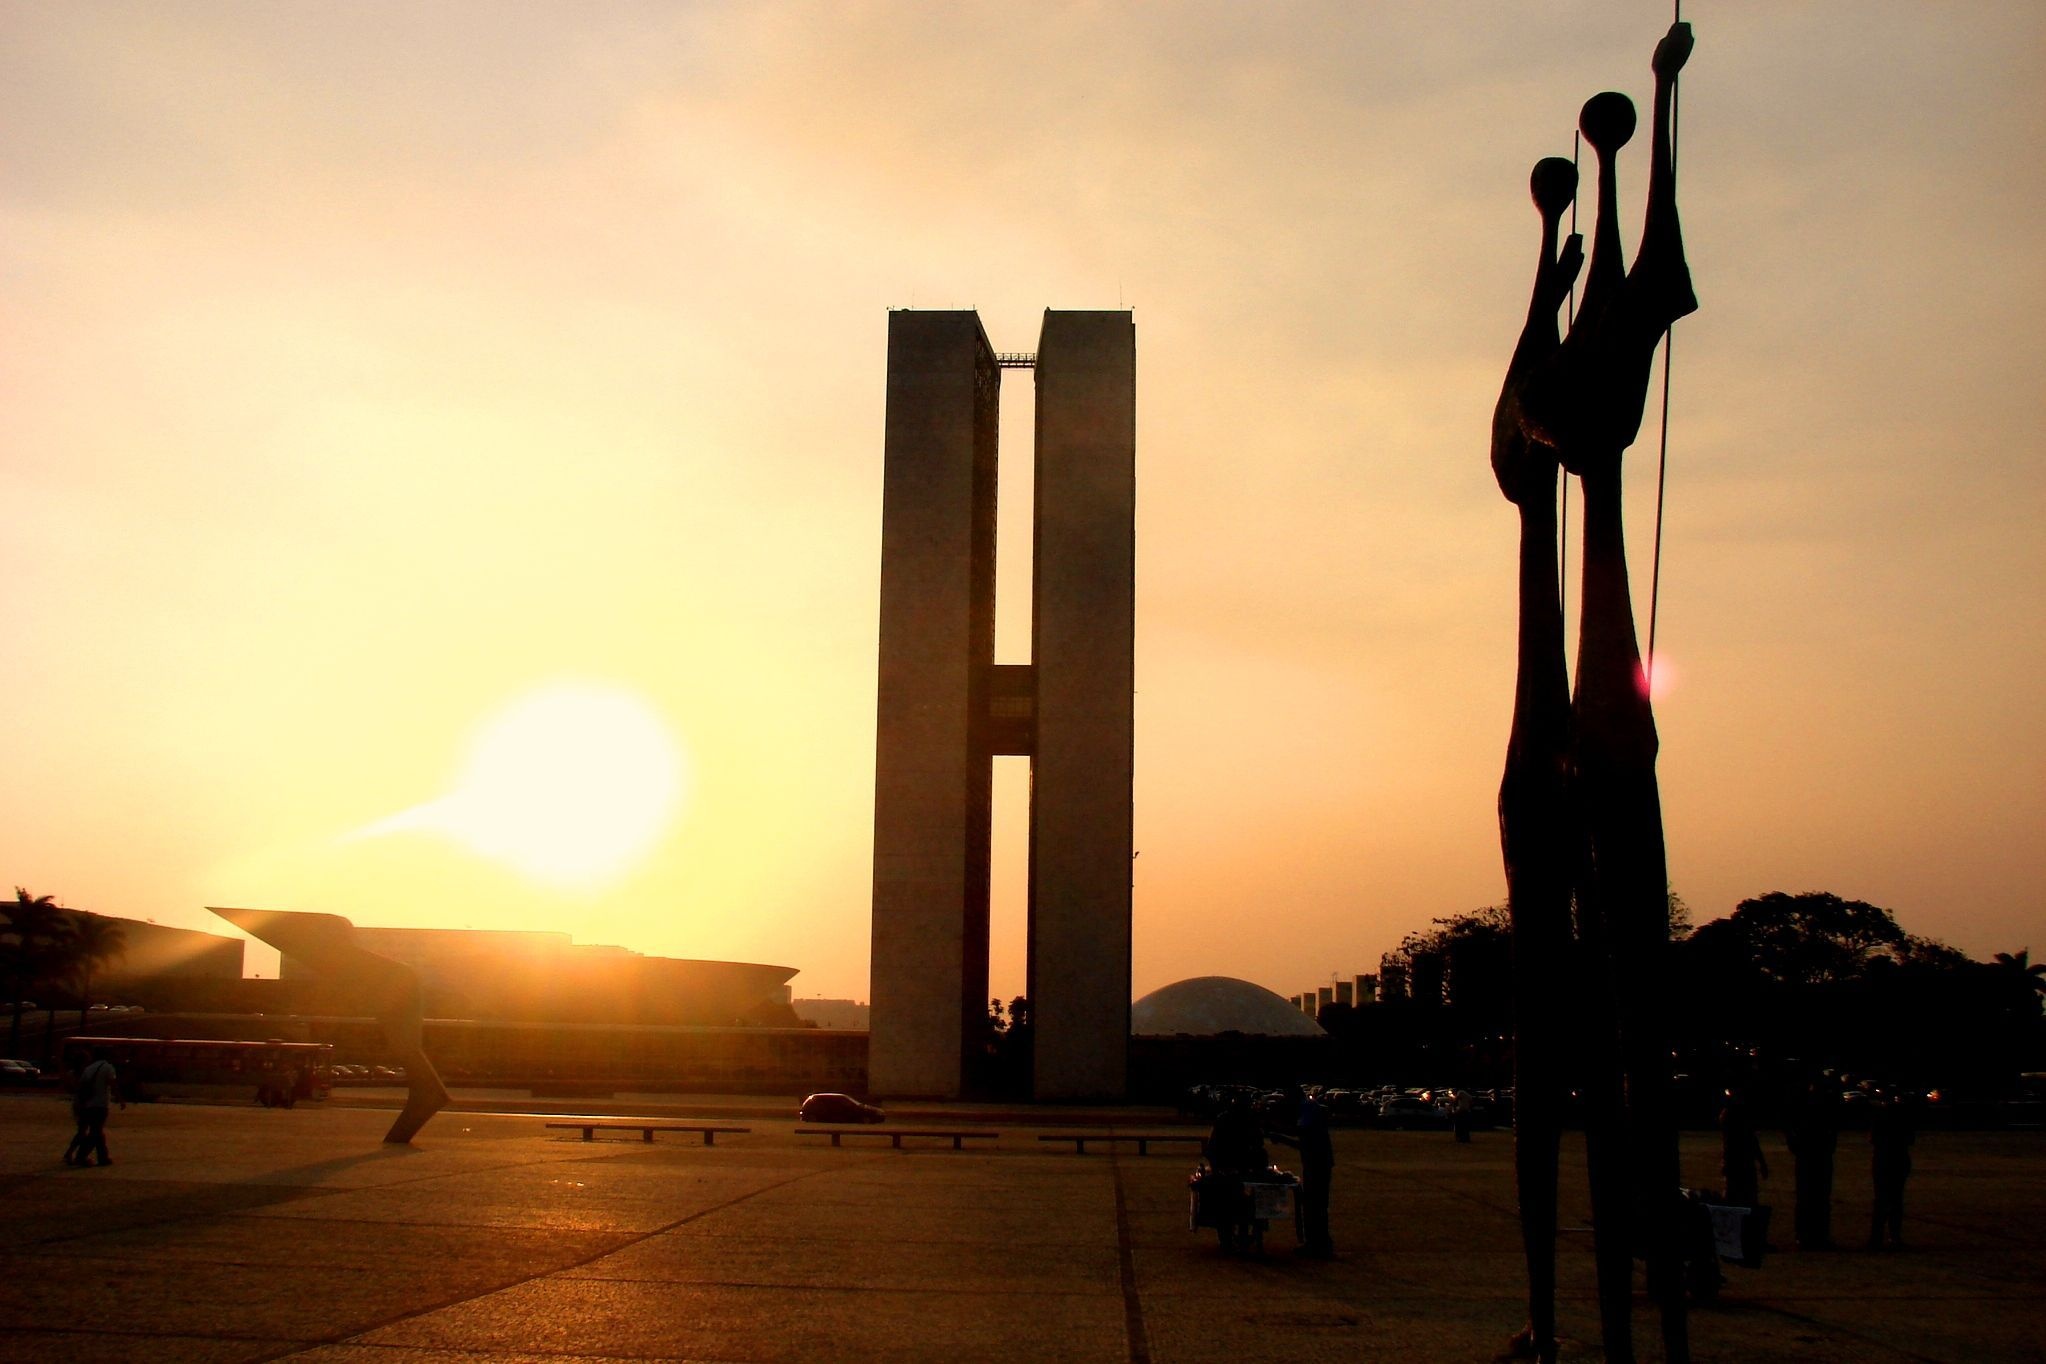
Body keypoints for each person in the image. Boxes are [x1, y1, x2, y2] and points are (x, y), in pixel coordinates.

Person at [1787, 1080, 1840, 1249]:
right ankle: (1811, 1235)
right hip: (1813, 1156)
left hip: (1813, 1156)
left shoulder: (1810, 1111)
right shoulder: (1817, 1111)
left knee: (1813, 1198)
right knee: (1813, 1198)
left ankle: (1811, 1235)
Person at [1867, 1093, 1916, 1250]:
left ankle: (1877, 1237)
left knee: (1882, 1200)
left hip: (1884, 1160)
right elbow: (1910, 1139)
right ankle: (1893, 1236)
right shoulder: (1903, 1121)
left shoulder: (1880, 1119)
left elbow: (1874, 1139)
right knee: (1895, 1199)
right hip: (1896, 1160)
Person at [67, 1047, 121, 1167]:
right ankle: (81, 1157)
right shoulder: (107, 1067)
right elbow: (113, 1083)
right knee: (95, 1132)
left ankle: (103, 1157)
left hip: (88, 1104)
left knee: (97, 1130)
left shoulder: (89, 1069)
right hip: (101, 1104)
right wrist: (120, 1099)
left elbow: (81, 1087)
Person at [1720, 1091, 1768, 1209]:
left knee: (1736, 1198)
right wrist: (1762, 1163)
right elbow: (1752, 1141)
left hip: (1736, 1163)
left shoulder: (1728, 1117)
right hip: (1741, 1163)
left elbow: (1751, 1141)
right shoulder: (1736, 1117)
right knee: (1745, 1197)